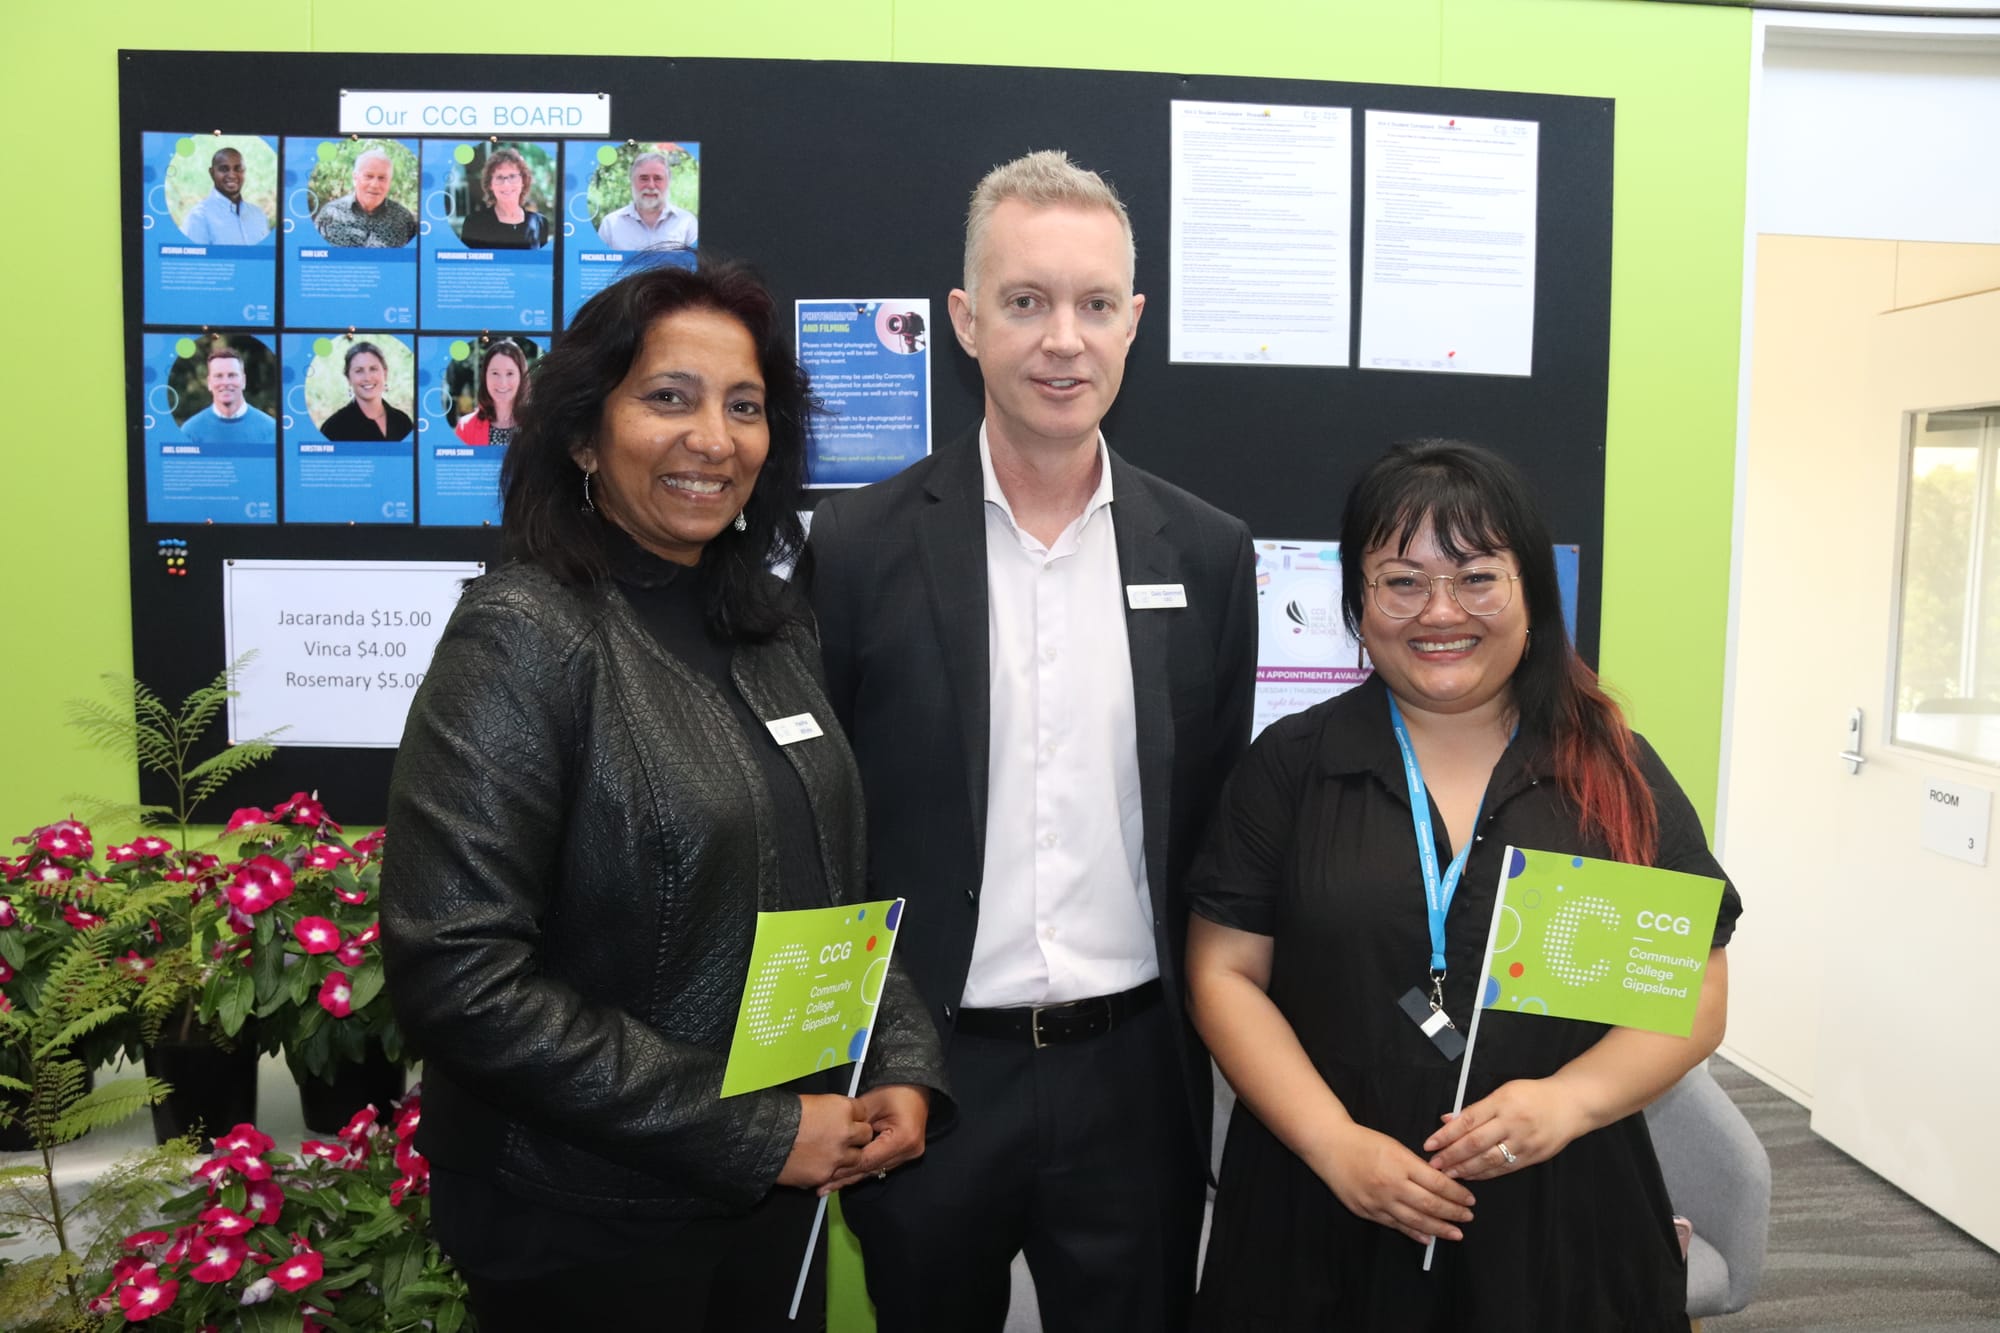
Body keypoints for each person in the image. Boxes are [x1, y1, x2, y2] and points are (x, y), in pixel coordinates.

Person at [381, 258, 948, 1332]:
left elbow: (840, 883)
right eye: (667, 398)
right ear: (585, 435)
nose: (713, 438)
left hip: (766, 1201)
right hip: (583, 1226)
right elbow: (455, 974)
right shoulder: (523, 633)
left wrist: (899, 1066)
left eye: (743, 407)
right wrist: (751, 1128)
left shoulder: (772, 629)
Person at [804, 150, 1256, 1333]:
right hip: (928, 1074)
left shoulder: (1205, 556)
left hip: (1135, 1076)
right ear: (963, 320)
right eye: (1025, 302)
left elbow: (1212, 823)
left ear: (1133, 322)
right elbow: (822, 830)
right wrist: (854, 1051)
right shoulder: (857, 549)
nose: (1063, 338)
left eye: (1094, 304)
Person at [1185, 439, 1743, 1331]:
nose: (1440, 611)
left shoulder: (1609, 771)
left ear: (1530, 595)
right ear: (1357, 604)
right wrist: (1335, 1144)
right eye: (1402, 581)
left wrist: (1570, 1101)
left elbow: (1694, 988)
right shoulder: (1290, 766)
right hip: (1325, 1203)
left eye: (1477, 576)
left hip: (1560, 1214)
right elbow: (1224, 974)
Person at [313, 147, 418, 247]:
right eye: (369, 176)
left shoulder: (403, 219)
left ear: (389, 182)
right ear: (355, 178)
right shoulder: (331, 213)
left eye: (382, 178)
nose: (375, 185)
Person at [596, 150, 698, 252]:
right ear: (632, 181)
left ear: (668, 182)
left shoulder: (687, 223)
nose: (651, 185)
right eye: (644, 179)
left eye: (658, 178)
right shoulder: (610, 225)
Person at [319, 341, 414, 442]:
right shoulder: (333, 428)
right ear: (348, 378)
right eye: (359, 371)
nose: (367, 378)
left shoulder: (402, 421)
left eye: (373, 369)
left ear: (385, 373)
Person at [460, 147, 549, 250]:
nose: (506, 184)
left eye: (512, 176)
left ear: (523, 181)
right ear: (490, 185)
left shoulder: (540, 223)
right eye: (499, 177)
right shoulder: (474, 223)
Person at [180, 347, 274, 442]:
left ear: (243, 381)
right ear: (209, 383)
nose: (225, 382)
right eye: (218, 376)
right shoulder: (190, 432)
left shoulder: (271, 430)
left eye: (232, 375)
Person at [180, 146, 269, 245]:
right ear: (212, 172)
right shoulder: (199, 217)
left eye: (238, 169)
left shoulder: (258, 215)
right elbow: (194, 259)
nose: (232, 175)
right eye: (224, 169)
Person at [453, 339, 529, 445]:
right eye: (495, 373)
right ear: (485, 377)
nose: (502, 383)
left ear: (522, 377)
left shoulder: (539, 426)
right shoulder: (465, 427)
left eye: (510, 373)